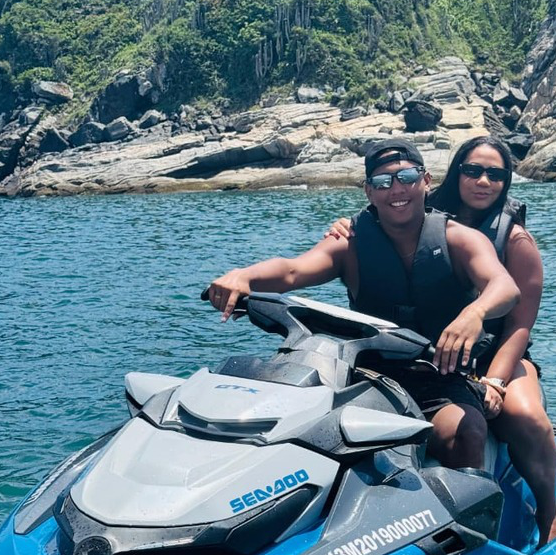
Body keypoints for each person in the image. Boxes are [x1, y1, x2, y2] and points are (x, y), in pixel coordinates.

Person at [205, 138, 520, 472]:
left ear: (426, 181)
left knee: (467, 432)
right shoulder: (350, 243)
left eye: (407, 177)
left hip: (439, 380)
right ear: (369, 191)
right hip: (367, 375)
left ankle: (473, 504)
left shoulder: (461, 239)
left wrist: (475, 313)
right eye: (382, 182)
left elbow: (505, 287)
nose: (396, 189)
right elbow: (292, 270)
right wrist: (243, 276)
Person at [325, 135, 556, 545]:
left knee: (525, 417)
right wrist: (346, 227)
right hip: (429, 356)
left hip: (497, 355)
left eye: (495, 174)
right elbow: (381, 216)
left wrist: (495, 381)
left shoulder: (514, 240)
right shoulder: (418, 211)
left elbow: (519, 325)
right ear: (453, 174)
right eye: (472, 171)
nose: (483, 181)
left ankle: (548, 514)